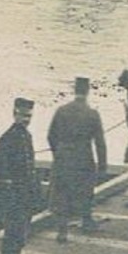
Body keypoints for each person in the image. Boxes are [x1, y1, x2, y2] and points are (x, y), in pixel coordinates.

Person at [46, 76, 108, 243]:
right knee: (86, 191)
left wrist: (57, 153)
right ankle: (87, 221)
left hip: (63, 157)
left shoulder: (61, 111)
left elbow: (51, 136)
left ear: (75, 90)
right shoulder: (92, 114)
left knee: (62, 193)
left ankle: (62, 230)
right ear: (87, 92)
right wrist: (102, 166)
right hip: (83, 157)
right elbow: (100, 143)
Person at [0, 97, 39, 254]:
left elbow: (30, 167)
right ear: (14, 113)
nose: (25, 119)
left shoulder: (26, 136)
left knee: (19, 239)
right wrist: (11, 199)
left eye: (29, 116)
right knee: (12, 238)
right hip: (13, 199)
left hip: (24, 197)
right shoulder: (7, 139)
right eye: (22, 115)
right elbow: (0, 174)